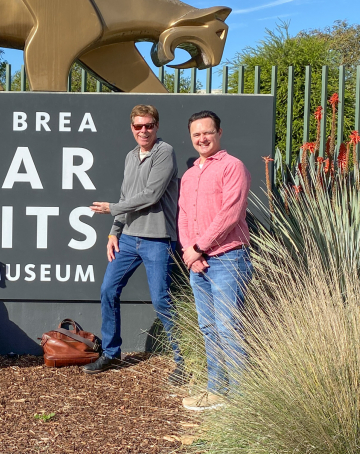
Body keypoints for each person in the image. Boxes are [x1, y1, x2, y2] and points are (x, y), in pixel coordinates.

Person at [88, 104, 184, 382]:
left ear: (157, 126)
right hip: (128, 239)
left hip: (157, 239)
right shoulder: (131, 156)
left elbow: (150, 195)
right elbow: (126, 194)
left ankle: (182, 361)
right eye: (138, 126)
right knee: (108, 290)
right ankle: (111, 353)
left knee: (162, 301)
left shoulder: (164, 152)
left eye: (149, 125)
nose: (144, 130)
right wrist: (114, 231)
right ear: (132, 128)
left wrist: (112, 208)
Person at [178, 110, 252, 411]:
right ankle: (216, 390)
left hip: (228, 259)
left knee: (228, 326)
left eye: (207, 132)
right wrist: (190, 252)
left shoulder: (233, 166)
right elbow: (183, 215)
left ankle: (241, 400)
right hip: (199, 263)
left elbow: (230, 215)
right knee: (208, 327)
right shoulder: (191, 174)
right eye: (196, 134)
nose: (202, 138)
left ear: (219, 133)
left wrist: (198, 246)